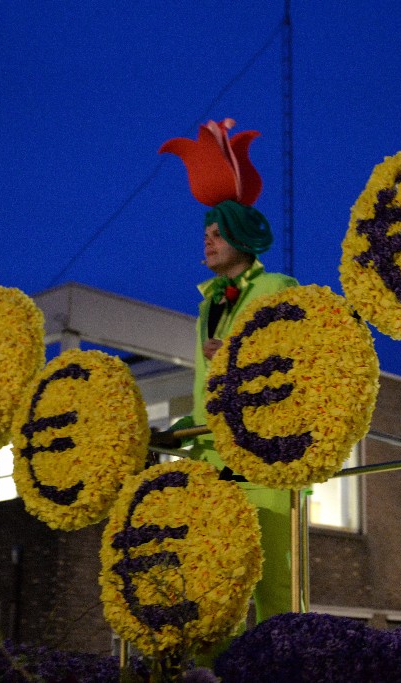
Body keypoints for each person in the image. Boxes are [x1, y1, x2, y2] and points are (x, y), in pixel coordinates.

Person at [159, 120, 298, 628]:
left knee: (275, 582)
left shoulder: (278, 286)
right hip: (213, 456)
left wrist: (238, 354)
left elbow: (295, 355)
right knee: (217, 579)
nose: (208, 243)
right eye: (206, 234)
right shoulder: (206, 305)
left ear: (242, 235)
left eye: (217, 234)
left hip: (264, 456)